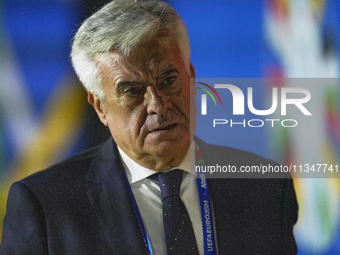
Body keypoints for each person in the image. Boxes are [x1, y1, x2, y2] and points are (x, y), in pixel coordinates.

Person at [0, 0, 298, 254]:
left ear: (191, 77)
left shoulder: (265, 186)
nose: (158, 104)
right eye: (132, 91)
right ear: (100, 106)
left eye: (168, 81)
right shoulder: (45, 206)